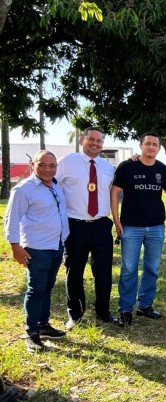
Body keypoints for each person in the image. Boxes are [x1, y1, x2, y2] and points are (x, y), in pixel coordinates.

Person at [4, 150, 70, 353]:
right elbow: (11, 219)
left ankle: (43, 325)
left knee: (47, 287)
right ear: (33, 165)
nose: (47, 169)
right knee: (35, 289)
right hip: (37, 248)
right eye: (42, 164)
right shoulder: (24, 189)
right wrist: (15, 247)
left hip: (56, 245)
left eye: (52, 166)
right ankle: (31, 333)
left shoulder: (56, 185)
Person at [110, 132, 166, 326]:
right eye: (148, 144)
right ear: (141, 146)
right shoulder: (127, 166)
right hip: (131, 226)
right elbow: (114, 192)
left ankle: (145, 305)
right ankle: (125, 309)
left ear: (159, 148)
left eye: (155, 144)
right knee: (129, 268)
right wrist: (116, 219)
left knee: (152, 268)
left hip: (156, 227)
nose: (151, 147)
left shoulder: (163, 170)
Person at [56, 127, 116, 329]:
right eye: (92, 139)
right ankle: (75, 313)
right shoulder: (67, 163)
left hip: (101, 226)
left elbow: (116, 193)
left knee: (104, 271)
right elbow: (52, 184)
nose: (95, 144)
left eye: (100, 141)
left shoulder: (108, 168)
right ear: (82, 139)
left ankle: (103, 311)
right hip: (76, 226)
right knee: (74, 271)